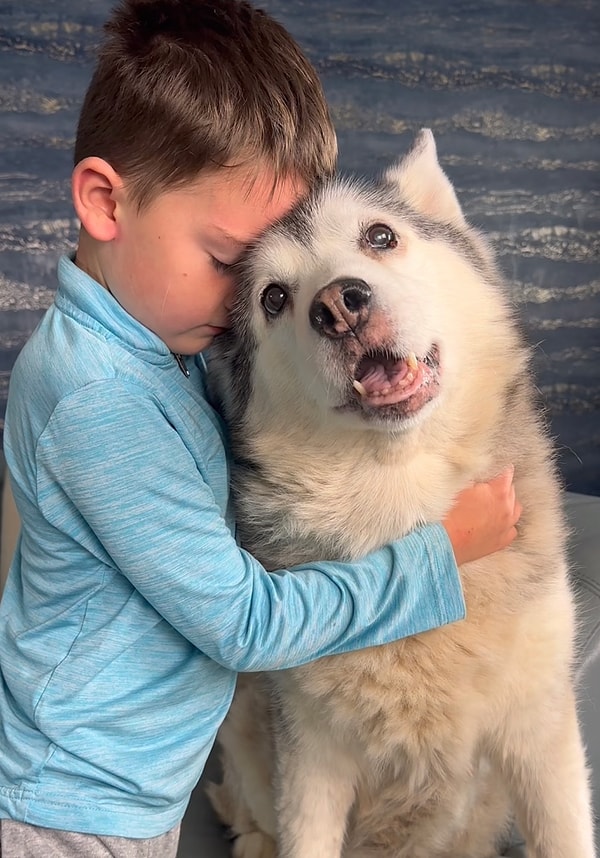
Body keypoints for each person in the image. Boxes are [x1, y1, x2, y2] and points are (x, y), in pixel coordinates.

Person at [0, 1, 521, 856]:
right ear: (104, 202)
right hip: (75, 805)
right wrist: (441, 553)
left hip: (125, 781)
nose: (242, 308)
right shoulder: (99, 399)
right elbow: (246, 623)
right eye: (226, 265)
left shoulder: (153, 345)